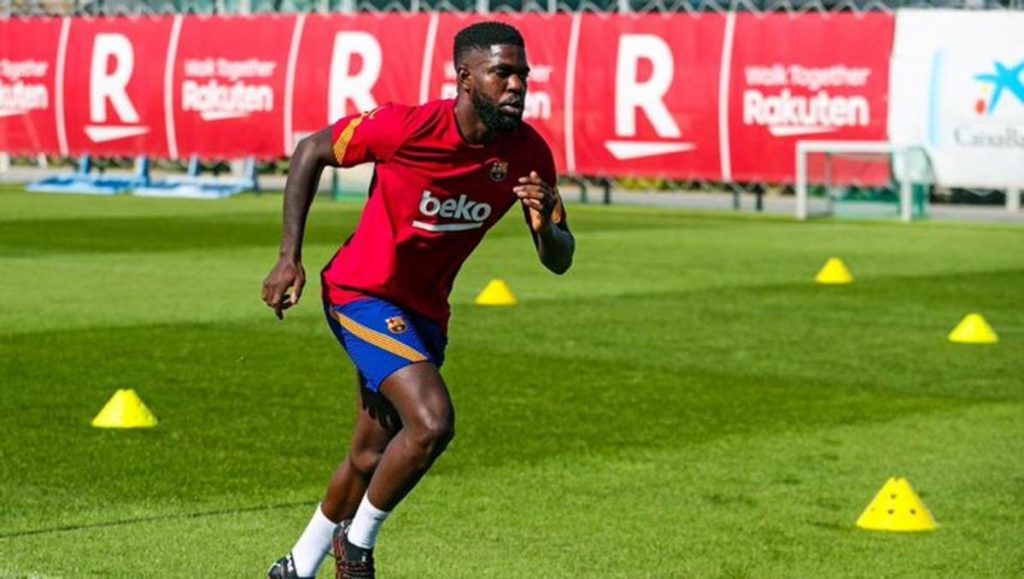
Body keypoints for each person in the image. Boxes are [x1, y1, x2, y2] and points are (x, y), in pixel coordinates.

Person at [262, 21, 575, 579]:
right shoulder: (406, 127)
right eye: (502, 73)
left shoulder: (528, 154)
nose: (517, 85)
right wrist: (290, 256)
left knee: (368, 457)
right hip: (360, 294)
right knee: (432, 422)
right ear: (465, 78)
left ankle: (294, 568)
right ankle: (356, 549)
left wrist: (549, 217)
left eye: (522, 74)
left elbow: (557, 258)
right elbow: (311, 150)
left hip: (425, 314)